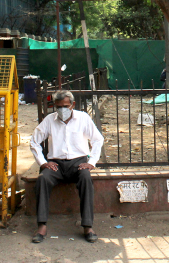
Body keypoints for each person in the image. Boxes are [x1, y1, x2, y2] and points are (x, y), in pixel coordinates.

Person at [29, 90, 104, 244]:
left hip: (78, 163)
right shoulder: (50, 120)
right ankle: (42, 226)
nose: (62, 110)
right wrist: (43, 162)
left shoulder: (83, 118)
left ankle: (88, 226)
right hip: (55, 164)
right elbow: (34, 141)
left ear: (72, 105)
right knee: (43, 179)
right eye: (58, 107)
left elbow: (98, 139)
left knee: (86, 179)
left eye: (65, 106)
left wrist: (91, 162)